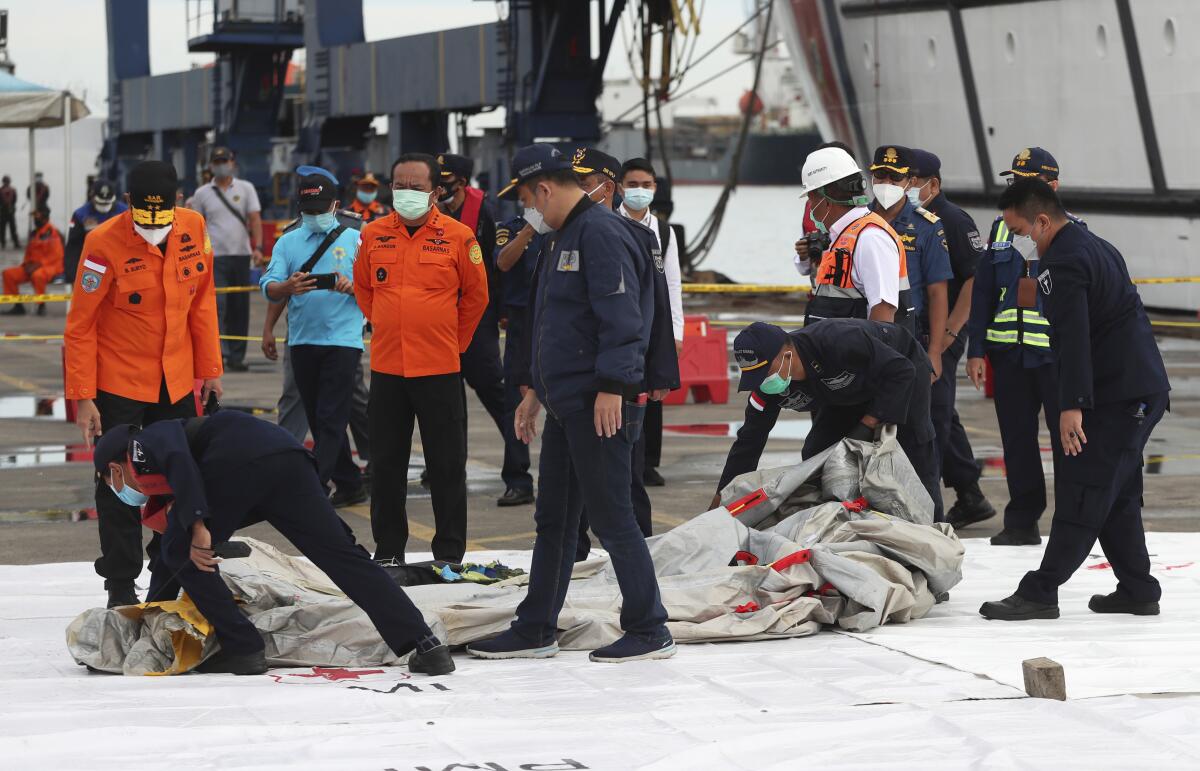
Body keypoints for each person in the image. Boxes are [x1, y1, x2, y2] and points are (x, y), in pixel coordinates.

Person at [467, 144, 675, 664]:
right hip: (565, 402)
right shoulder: (562, 236)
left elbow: (625, 319)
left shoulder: (600, 234)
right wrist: (535, 393)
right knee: (554, 520)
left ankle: (650, 629)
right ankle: (536, 626)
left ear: (543, 189)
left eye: (526, 200)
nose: (525, 212)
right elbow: (554, 325)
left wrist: (613, 386)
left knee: (612, 516)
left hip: (598, 402)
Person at [91, 410, 454, 676]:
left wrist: (199, 523)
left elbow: (179, 460)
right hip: (287, 458)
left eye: (111, 481)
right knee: (342, 556)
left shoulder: (142, 442)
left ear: (114, 468)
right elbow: (172, 533)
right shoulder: (167, 469)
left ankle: (244, 649)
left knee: (184, 549)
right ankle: (425, 644)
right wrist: (154, 607)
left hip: (240, 463)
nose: (118, 489)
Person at [980, 178, 1170, 621]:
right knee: (1116, 491)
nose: (1022, 244)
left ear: (1042, 220)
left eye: (1023, 233)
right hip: (1137, 387)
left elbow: (1073, 341)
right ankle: (1138, 589)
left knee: (1084, 486)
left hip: (1120, 395)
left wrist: (1071, 406)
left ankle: (1041, 591)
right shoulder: (1096, 244)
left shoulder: (1062, 262)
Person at [64, 160, 222, 609]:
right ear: (128, 202)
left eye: (163, 214)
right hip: (119, 385)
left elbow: (203, 302)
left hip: (175, 383)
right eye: (144, 216)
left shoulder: (193, 227)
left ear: (179, 201)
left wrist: (210, 369)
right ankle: (119, 584)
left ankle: (167, 574)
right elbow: (80, 325)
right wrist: (84, 398)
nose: (154, 226)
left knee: (179, 481)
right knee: (120, 486)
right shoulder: (101, 243)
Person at [354, 152, 488, 564]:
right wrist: (385, 324)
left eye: (415, 187)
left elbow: (476, 297)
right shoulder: (374, 233)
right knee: (386, 466)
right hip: (388, 370)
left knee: (446, 466)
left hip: (440, 369)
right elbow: (363, 288)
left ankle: (449, 553)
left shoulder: (459, 235)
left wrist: (453, 341)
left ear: (435, 191)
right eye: (399, 185)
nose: (406, 193)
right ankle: (389, 550)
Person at [712, 319, 941, 518]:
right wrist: (723, 499)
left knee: (914, 449)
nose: (762, 382)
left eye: (765, 372)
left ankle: (934, 529)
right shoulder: (767, 389)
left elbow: (902, 370)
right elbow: (748, 443)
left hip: (900, 368)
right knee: (816, 453)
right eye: (755, 376)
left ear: (786, 354)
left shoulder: (837, 340)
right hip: (845, 391)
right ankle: (838, 523)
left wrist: (868, 423)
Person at [568, 146, 679, 559]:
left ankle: (641, 554)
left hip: (618, 380)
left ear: (605, 186)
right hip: (579, 380)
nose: (576, 189)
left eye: (583, 182)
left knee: (625, 477)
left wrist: (657, 372)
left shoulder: (636, 237)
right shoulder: (567, 232)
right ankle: (573, 552)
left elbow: (655, 308)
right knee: (572, 477)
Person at [966, 148, 1080, 546]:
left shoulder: (1072, 232)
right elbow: (981, 293)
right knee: (1016, 439)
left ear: (1052, 187)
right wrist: (976, 349)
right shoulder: (1001, 229)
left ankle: (1071, 519)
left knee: (1067, 438)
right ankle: (1022, 519)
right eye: (1012, 181)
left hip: (1054, 358)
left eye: (1024, 182)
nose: (1015, 189)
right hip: (1009, 356)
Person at [260, 167, 367, 506]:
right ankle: (349, 481)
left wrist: (354, 289)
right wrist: (287, 287)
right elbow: (269, 286)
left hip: (343, 341)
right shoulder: (288, 241)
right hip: (303, 342)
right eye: (309, 211)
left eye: (322, 210)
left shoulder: (356, 239)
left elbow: (377, 287)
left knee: (330, 416)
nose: (316, 216)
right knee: (317, 414)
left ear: (336, 205)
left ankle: (314, 487)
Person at [435, 152, 531, 505]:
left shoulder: (486, 212)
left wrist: (503, 311)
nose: (438, 187)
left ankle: (519, 476)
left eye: (444, 180)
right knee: (445, 399)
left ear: (460, 182)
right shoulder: (431, 212)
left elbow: (500, 266)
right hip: (439, 321)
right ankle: (446, 470)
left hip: (478, 319)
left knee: (499, 395)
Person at [907, 149, 995, 526]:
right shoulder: (909, 218)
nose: (905, 188)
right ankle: (970, 494)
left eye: (912, 181)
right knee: (942, 411)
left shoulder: (954, 220)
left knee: (935, 414)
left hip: (945, 329)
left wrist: (950, 333)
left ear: (933, 184)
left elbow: (975, 279)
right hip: (922, 328)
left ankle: (929, 509)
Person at [619, 157, 684, 489]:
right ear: (619, 187)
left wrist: (676, 331)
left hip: (655, 321)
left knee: (653, 390)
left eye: (646, 185)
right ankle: (624, 454)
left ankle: (648, 463)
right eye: (632, 185)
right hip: (623, 320)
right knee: (623, 389)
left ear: (655, 188)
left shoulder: (663, 230)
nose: (639, 191)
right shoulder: (609, 223)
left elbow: (673, 283)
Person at [799, 146, 912, 332]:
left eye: (811, 200)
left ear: (825, 201)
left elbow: (884, 315)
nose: (810, 208)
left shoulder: (870, 238)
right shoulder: (844, 235)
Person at [869, 145, 949, 362]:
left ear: (911, 182)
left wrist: (934, 352)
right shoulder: (858, 221)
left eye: (895, 177)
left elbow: (937, 292)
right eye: (880, 175)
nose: (887, 183)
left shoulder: (927, 226)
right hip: (863, 332)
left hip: (908, 334)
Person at [188, 147, 263, 372]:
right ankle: (219, 354)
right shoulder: (202, 193)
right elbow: (196, 224)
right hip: (214, 257)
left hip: (241, 254)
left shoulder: (246, 188)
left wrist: (257, 247)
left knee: (240, 307)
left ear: (233, 163)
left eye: (225, 160)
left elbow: (255, 219)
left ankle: (237, 356)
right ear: (211, 166)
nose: (221, 164)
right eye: (217, 161)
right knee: (217, 306)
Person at [493, 209, 543, 508]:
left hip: (556, 314)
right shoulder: (510, 227)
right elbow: (502, 263)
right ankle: (518, 480)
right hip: (521, 319)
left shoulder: (571, 224)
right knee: (515, 401)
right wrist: (528, 230)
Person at [1, 207, 63, 316]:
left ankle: (41, 304)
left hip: (51, 266)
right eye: (34, 216)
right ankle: (17, 305)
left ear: (45, 218)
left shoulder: (52, 233)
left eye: (37, 216)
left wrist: (38, 265)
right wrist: (26, 264)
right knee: (8, 274)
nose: (35, 219)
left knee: (37, 275)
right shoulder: (35, 233)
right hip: (32, 266)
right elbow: (29, 253)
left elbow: (56, 255)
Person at [64, 180, 128, 284]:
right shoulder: (80, 215)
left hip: (119, 264)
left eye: (107, 203)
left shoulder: (125, 212)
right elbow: (73, 246)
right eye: (100, 203)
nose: (104, 206)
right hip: (92, 265)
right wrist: (72, 274)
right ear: (92, 197)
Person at [0, 175, 20, 249]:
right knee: (3, 229)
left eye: (7, 181)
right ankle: (3, 243)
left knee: (13, 228)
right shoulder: (1, 190)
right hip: (4, 211)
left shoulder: (13, 190)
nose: (6, 183)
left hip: (10, 211)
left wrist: (12, 207)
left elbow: (15, 200)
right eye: (5, 181)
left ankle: (15, 243)